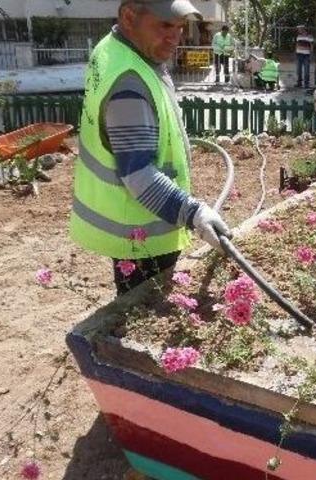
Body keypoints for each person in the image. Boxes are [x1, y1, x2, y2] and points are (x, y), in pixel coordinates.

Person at [70, 0, 232, 296]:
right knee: (143, 310)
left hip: (131, 222)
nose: (176, 37)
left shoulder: (112, 49)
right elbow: (138, 175)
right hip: (142, 230)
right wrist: (194, 213)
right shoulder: (129, 82)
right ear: (129, 16)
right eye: (165, 25)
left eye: (181, 27)